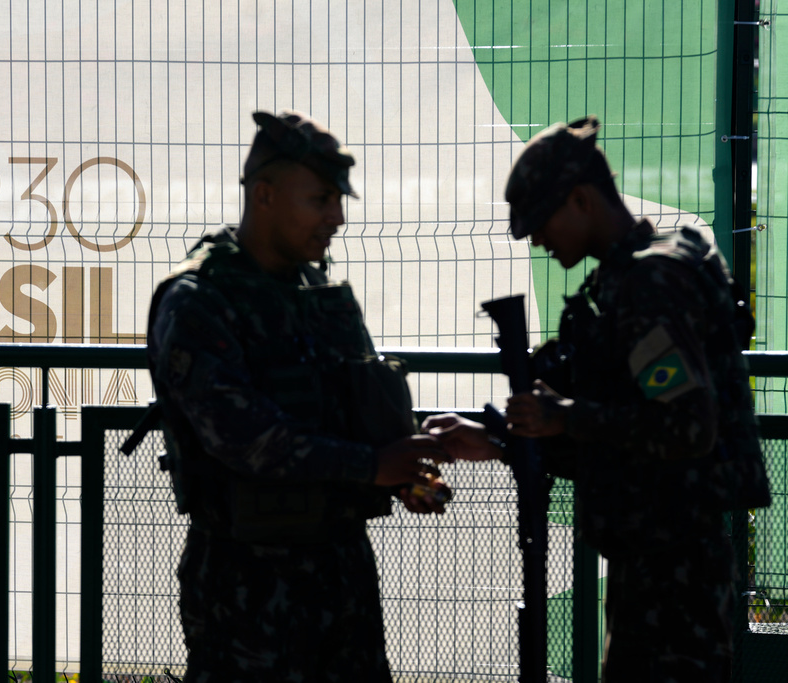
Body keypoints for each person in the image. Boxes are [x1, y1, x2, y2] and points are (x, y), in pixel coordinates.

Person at [423, 116, 770, 682]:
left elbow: (687, 425)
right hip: (659, 561)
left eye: (542, 221)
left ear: (581, 200)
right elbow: (623, 424)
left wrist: (566, 417)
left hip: (673, 574)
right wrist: (500, 439)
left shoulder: (650, 284)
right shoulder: (635, 275)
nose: (537, 240)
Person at [146, 109, 451, 682]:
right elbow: (246, 440)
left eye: (338, 201)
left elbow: (353, 405)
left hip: (342, 581)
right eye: (320, 200)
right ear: (264, 195)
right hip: (249, 593)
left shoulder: (318, 293)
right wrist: (372, 466)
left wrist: (406, 468)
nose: (337, 218)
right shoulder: (199, 301)